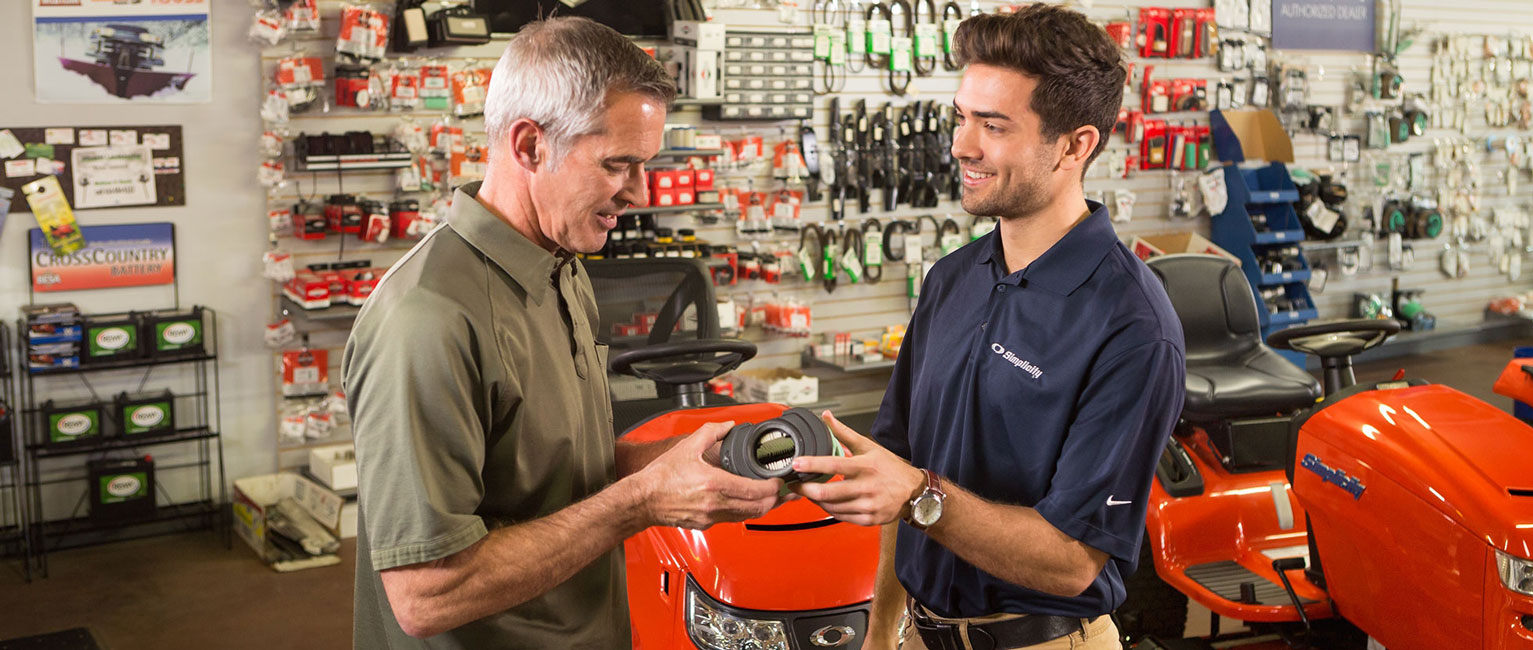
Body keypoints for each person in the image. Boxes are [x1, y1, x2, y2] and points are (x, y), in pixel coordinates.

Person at [344, 17, 785, 649]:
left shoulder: (562, 266)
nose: (641, 192)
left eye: (646, 166)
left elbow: (552, 475)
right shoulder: (427, 320)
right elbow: (426, 592)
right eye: (618, 165)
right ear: (529, 146)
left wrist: (701, 460)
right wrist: (642, 503)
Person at [792, 5, 1186, 649]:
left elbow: (1070, 560)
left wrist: (921, 495)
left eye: (993, 125)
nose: (960, 145)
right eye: (961, 117)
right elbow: (902, 470)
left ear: (1075, 145)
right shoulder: (951, 278)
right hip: (919, 632)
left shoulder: (1133, 324)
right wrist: (882, 631)